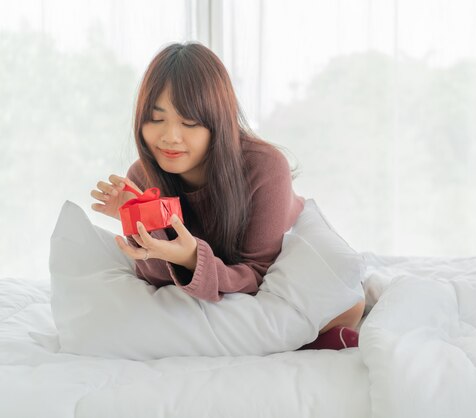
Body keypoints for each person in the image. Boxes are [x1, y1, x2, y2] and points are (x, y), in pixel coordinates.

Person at [90, 42, 364, 350]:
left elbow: (256, 274)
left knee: (346, 299)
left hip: (277, 259)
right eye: (156, 119)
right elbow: (157, 280)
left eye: (189, 122)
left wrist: (191, 258)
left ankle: (323, 331)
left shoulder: (265, 167)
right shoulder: (142, 176)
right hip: (216, 278)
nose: (169, 137)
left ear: (218, 123)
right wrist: (135, 220)